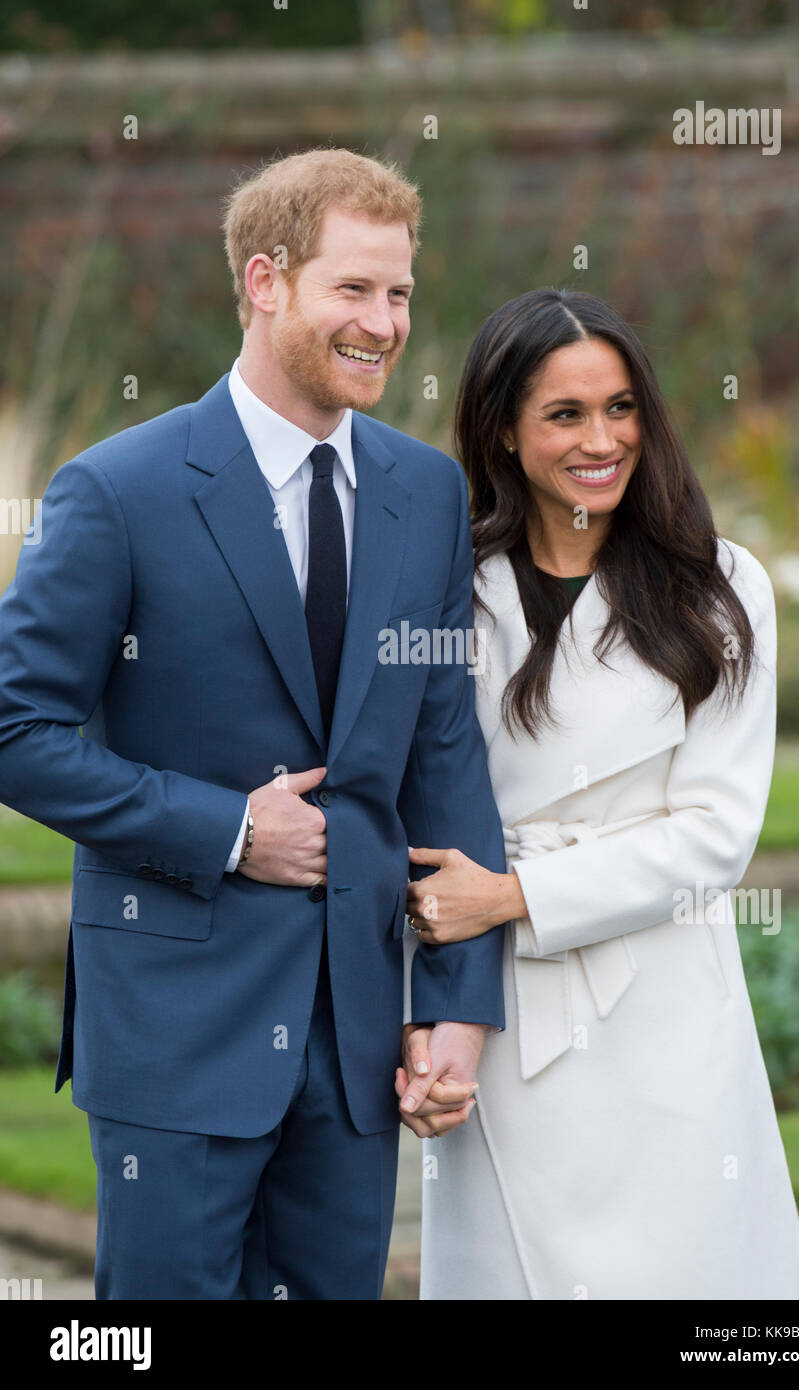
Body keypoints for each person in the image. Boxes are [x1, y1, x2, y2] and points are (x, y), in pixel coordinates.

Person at [0, 148, 506, 1300]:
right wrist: (228, 828)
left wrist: (460, 1004)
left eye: (400, 293)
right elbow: (13, 725)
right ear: (267, 281)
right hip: (178, 1042)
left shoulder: (424, 493)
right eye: (355, 290)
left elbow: (443, 757)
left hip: (358, 1039)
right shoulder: (116, 491)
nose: (385, 323)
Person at [401, 288, 799, 1300]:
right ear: (502, 428)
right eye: (565, 414)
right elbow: (415, 807)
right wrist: (423, 1014)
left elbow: (715, 837)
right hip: (500, 1017)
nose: (602, 439)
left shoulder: (720, 586)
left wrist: (517, 895)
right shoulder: (444, 588)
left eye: (620, 407)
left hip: (665, 1003)